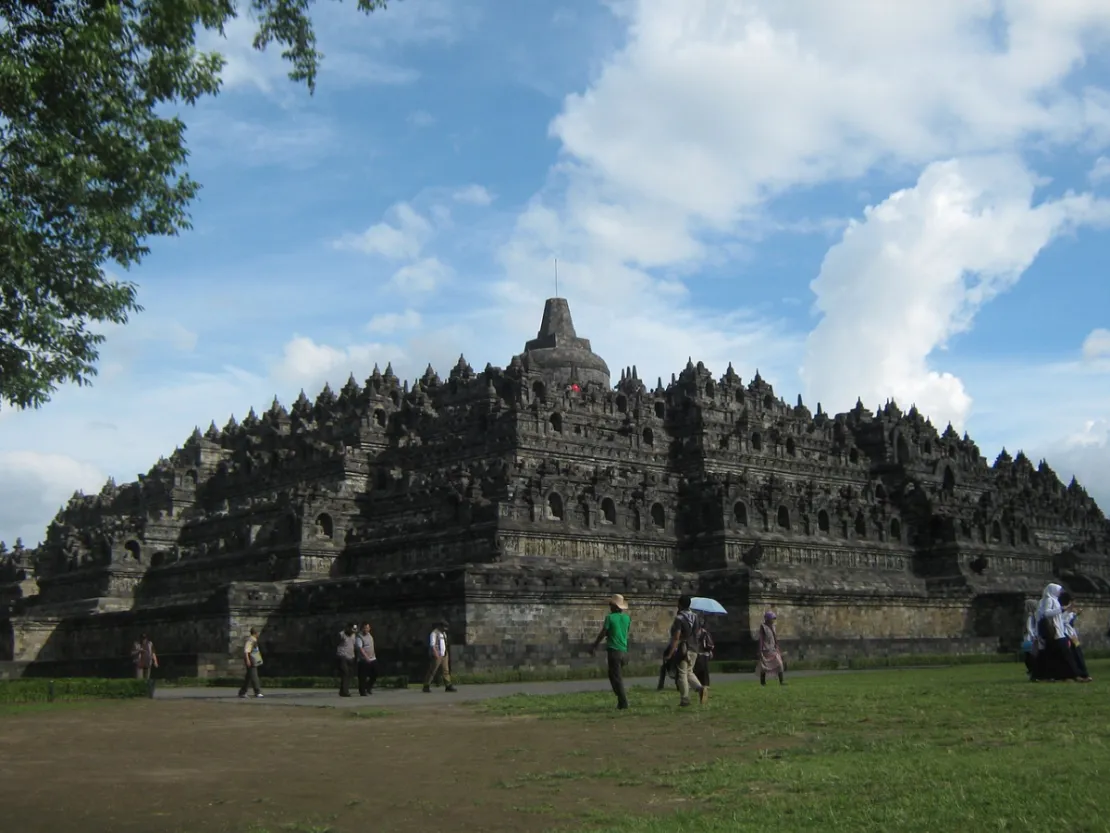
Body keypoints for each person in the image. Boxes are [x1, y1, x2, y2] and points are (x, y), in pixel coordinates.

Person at [591, 593, 631, 710]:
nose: (609, 606)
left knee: (616, 678)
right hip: (624, 651)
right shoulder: (627, 618)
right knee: (613, 675)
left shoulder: (610, 618)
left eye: (611, 604)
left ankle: (623, 702)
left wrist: (594, 646)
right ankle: (620, 700)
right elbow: (624, 632)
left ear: (615, 606)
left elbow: (603, 632)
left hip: (614, 651)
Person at [664, 595, 705, 707]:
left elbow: (676, 637)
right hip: (694, 648)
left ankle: (685, 699)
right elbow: (698, 633)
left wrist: (671, 652)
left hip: (684, 648)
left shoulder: (679, 618)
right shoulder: (695, 616)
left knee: (682, 673)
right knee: (689, 672)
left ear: (680, 604)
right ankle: (700, 688)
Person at [1035, 583, 1080, 681]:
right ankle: (1073, 675)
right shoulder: (1049, 600)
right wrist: (1062, 609)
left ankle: (1054, 676)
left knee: (1052, 655)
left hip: (1058, 631)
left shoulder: (1054, 600)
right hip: (1055, 631)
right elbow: (1046, 613)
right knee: (1065, 654)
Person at [1060, 592, 1092, 683]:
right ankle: (1077, 674)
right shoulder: (1062, 611)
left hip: (1072, 635)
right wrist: (1071, 613)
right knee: (1073, 654)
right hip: (1067, 634)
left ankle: (1083, 673)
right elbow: (1063, 622)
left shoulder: (1069, 611)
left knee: (1078, 653)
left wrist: (1075, 614)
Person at [423, 621, 458, 693]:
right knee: (433, 670)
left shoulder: (444, 633)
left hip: (444, 654)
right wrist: (435, 652)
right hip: (438, 654)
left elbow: (445, 643)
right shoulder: (434, 633)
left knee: (446, 670)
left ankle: (448, 685)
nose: (446, 629)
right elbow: (432, 644)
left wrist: (446, 652)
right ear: (440, 626)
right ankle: (426, 685)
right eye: (444, 627)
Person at [757, 611, 786, 686]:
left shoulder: (773, 626)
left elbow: (774, 637)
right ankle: (763, 682)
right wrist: (760, 650)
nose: (773, 620)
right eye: (772, 618)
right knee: (764, 666)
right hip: (766, 649)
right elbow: (761, 639)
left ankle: (781, 681)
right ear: (767, 619)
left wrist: (777, 646)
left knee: (779, 664)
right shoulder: (763, 627)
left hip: (773, 649)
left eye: (773, 619)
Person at [693, 614, 715, 702]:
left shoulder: (695, 633)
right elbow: (710, 645)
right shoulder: (705, 632)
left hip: (698, 653)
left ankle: (700, 686)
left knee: (697, 670)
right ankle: (705, 685)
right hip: (704, 654)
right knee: (704, 671)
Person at [238, 627, 264, 698]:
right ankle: (257, 692)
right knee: (254, 676)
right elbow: (246, 651)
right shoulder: (250, 640)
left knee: (249, 677)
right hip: (251, 660)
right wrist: (248, 660)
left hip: (253, 659)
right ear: (256, 633)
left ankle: (242, 692)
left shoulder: (254, 639)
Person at [356, 622, 378, 696]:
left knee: (375, 673)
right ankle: (362, 692)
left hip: (373, 658)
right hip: (363, 660)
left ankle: (368, 687)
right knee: (363, 676)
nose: (366, 629)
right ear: (362, 628)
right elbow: (360, 648)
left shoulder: (369, 635)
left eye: (367, 628)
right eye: (365, 628)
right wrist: (366, 657)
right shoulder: (359, 637)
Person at [336, 622, 357, 697]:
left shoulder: (354, 635)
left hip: (350, 656)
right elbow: (335, 644)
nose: (353, 631)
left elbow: (353, 644)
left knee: (349, 674)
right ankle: (345, 691)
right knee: (345, 673)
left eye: (355, 629)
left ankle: (342, 691)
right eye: (352, 629)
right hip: (342, 656)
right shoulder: (341, 634)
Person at [1021, 599, 1040, 679]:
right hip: (1030, 638)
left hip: (1029, 638)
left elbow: (1029, 628)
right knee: (1030, 656)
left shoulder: (1031, 616)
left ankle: (1032, 671)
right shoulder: (1032, 616)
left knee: (1029, 656)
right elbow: (1030, 627)